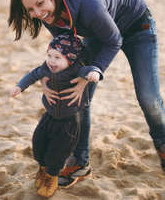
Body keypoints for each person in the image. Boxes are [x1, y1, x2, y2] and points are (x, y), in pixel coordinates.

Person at [8, 0, 165, 186]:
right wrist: (49, 78)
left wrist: (94, 71)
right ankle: (80, 163)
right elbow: (67, 51)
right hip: (98, 32)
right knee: (76, 95)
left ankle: (164, 147)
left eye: (40, 4)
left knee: (148, 97)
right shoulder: (47, 15)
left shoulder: (89, 4)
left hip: (137, 26)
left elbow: (114, 41)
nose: (38, 13)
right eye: (30, 9)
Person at [11, 34, 99, 197]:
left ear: (70, 59)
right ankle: (43, 170)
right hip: (49, 116)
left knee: (58, 152)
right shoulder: (46, 68)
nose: (51, 61)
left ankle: (52, 176)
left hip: (69, 122)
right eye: (49, 55)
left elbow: (90, 70)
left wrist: (94, 73)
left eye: (57, 57)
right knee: (38, 142)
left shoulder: (77, 70)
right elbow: (32, 75)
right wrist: (20, 86)